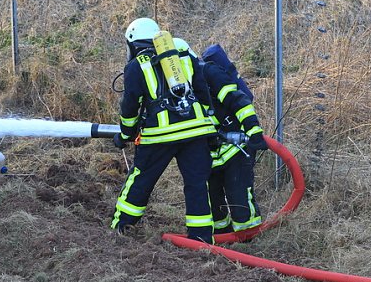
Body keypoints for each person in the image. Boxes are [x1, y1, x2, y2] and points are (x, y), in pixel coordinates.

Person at [110, 17, 217, 244]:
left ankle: (121, 226)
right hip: (196, 131)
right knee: (197, 184)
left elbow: (130, 106)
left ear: (133, 43)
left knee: (142, 179)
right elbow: (201, 90)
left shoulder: (137, 65)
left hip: (160, 135)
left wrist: (125, 135)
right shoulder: (183, 55)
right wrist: (210, 125)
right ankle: (202, 238)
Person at [198, 43, 269, 234]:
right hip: (211, 153)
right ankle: (221, 234)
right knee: (213, 199)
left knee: (238, 197)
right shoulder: (180, 86)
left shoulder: (210, 75)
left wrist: (254, 131)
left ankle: (248, 237)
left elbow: (239, 101)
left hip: (237, 148)